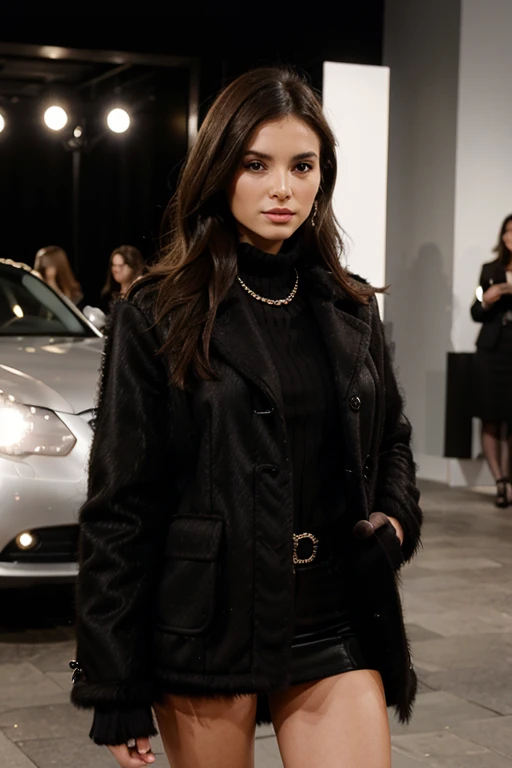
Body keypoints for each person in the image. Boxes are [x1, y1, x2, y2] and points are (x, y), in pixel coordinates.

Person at [70, 67, 422, 768]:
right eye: (256, 165)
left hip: (331, 613)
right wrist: (114, 682)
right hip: (208, 624)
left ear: (324, 175)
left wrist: (395, 522)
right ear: (219, 169)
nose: (282, 188)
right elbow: (122, 507)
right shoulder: (158, 312)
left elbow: (393, 441)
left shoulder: (350, 305)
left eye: (303, 165)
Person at [471, 213, 512, 507]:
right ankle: (499, 480)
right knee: (490, 416)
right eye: (508, 231)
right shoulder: (490, 269)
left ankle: (509, 480)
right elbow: (476, 311)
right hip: (492, 349)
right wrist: (486, 300)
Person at [100, 244, 145, 313]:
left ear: (133, 267)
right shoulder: (109, 294)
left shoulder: (141, 294)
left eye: (120, 266)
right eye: (114, 265)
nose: (116, 270)